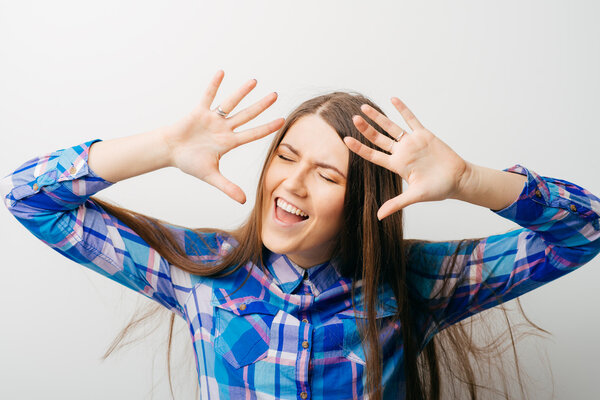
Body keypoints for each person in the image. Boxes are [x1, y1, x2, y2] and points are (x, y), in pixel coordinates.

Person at [2, 70, 599, 400]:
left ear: (364, 201)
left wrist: (470, 180)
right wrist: (160, 148)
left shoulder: (419, 283)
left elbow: (585, 232)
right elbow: (28, 197)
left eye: (327, 174)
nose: (292, 185)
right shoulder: (198, 269)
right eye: (285, 157)